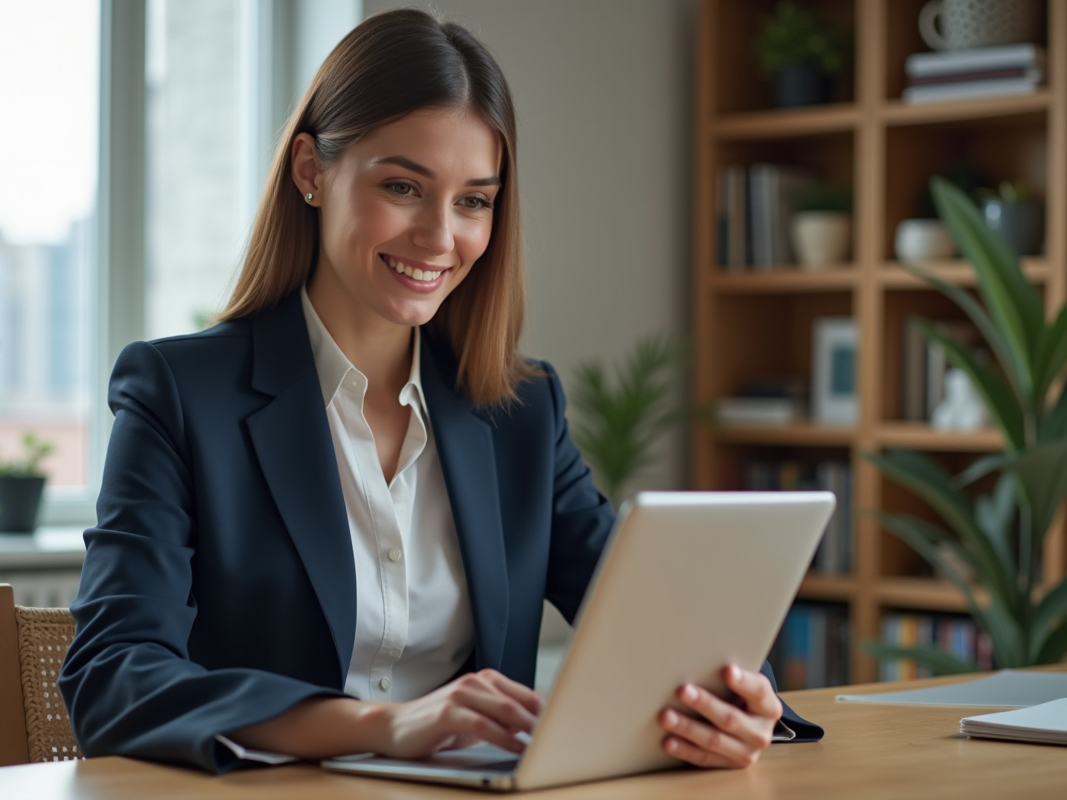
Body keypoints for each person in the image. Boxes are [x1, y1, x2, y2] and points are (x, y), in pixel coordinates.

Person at [59, 7, 821, 775]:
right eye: (402, 186)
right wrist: (379, 724)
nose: (439, 237)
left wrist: (740, 707)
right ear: (310, 172)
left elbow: (655, 630)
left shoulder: (521, 412)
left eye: (474, 201)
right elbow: (114, 679)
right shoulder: (180, 395)